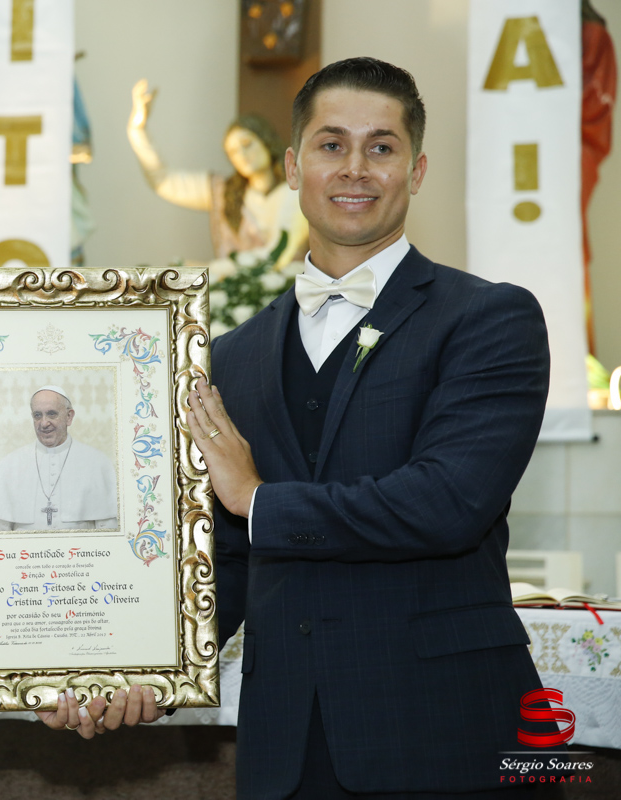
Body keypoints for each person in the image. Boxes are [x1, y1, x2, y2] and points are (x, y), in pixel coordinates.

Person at [182, 58, 555, 797]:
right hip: (286, 748)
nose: (355, 168)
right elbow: (222, 557)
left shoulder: (489, 319)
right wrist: (140, 671)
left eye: (381, 147)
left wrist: (259, 500)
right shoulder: (231, 355)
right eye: (331, 144)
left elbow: (447, 503)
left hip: (444, 732)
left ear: (416, 171)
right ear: (293, 167)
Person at [127, 81, 308, 273]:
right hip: (233, 287)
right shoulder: (223, 192)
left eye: (247, 144)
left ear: (266, 140)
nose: (243, 155)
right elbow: (162, 180)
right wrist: (137, 130)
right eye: (233, 152)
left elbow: (280, 254)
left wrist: (210, 269)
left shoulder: (298, 189)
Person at [0, 386, 118, 531]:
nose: (44, 423)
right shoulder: (10, 464)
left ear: (69, 417)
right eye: (37, 415)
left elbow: (108, 529)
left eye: (51, 414)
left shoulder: (97, 463)